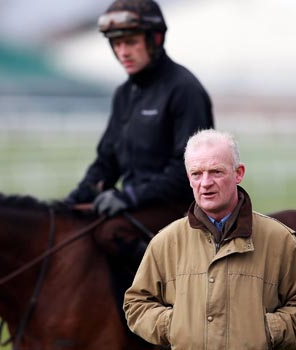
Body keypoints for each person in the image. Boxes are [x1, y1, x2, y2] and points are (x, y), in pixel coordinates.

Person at [123, 129, 296, 349]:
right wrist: (175, 326)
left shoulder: (280, 240)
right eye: (196, 174)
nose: (205, 182)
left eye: (216, 172)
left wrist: (266, 331)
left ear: (238, 173)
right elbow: (136, 305)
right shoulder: (164, 242)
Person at [66, 0, 214, 267]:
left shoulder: (184, 89)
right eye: (116, 44)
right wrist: (71, 203)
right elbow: (106, 162)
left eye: (131, 42)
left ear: (155, 39)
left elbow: (190, 171)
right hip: (137, 207)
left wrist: (128, 197)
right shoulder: (124, 94)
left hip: (180, 209)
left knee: (111, 233)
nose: (123, 52)